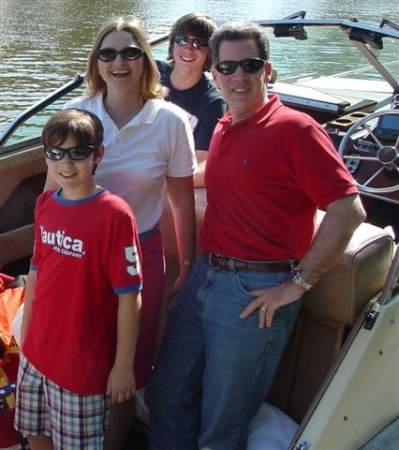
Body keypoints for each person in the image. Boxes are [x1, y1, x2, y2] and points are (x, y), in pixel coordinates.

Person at [145, 21, 367, 449]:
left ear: (268, 71)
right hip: (205, 278)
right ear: (215, 74)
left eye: (250, 65)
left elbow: (348, 209)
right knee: (166, 393)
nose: (238, 76)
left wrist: (297, 285)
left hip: (256, 292)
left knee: (222, 425)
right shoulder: (226, 124)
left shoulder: (296, 130)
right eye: (227, 66)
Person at [44, 15, 197, 448]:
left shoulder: (172, 122)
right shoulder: (79, 114)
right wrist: (43, 255)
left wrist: (184, 265)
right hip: (76, 252)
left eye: (130, 52)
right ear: (96, 62)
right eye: (107, 53)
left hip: (138, 253)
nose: (119, 62)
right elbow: (51, 192)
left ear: (145, 60)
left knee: (127, 367)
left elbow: (181, 200)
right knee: (80, 353)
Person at [14, 109, 143, 450]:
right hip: (37, 354)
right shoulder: (45, 204)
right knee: (33, 431)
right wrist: (26, 341)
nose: (65, 164)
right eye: (55, 153)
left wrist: (123, 367)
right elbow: (36, 273)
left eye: (78, 153)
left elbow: (130, 298)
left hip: (82, 368)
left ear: (98, 154)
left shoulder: (114, 214)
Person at [157, 12, 227, 186]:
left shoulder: (213, 103)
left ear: (210, 53)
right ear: (172, 43)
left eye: (199, 43)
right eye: (182, 40)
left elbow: (200, 163)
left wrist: (154, 178)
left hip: (170, 177)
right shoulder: (152, 74)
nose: (189, 49)